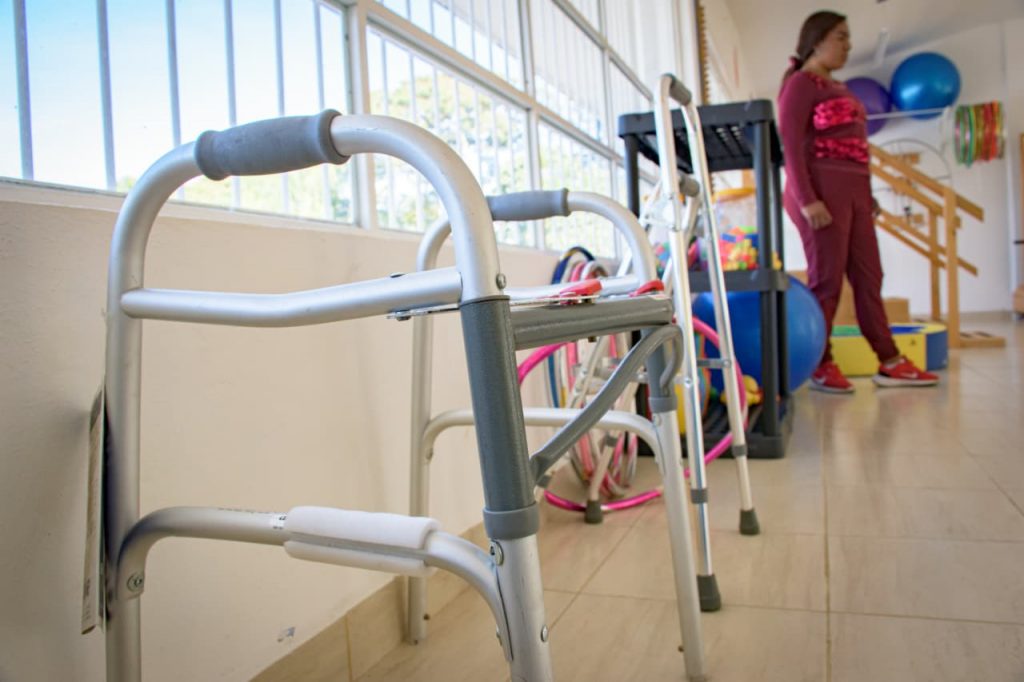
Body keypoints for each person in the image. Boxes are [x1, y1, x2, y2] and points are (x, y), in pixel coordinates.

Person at [778, 10, 938, 393]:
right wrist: (808, 200)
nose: (848, 46)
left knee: (870, 277)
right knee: (828, 280)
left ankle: (890, 360)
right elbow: (790, 146)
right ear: (817, 40)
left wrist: (867, 197)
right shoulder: (801, 84)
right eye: (841, 37)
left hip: (854, 195)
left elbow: (855, 149)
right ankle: (820, 362)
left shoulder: (841, 87)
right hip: (820, 193)